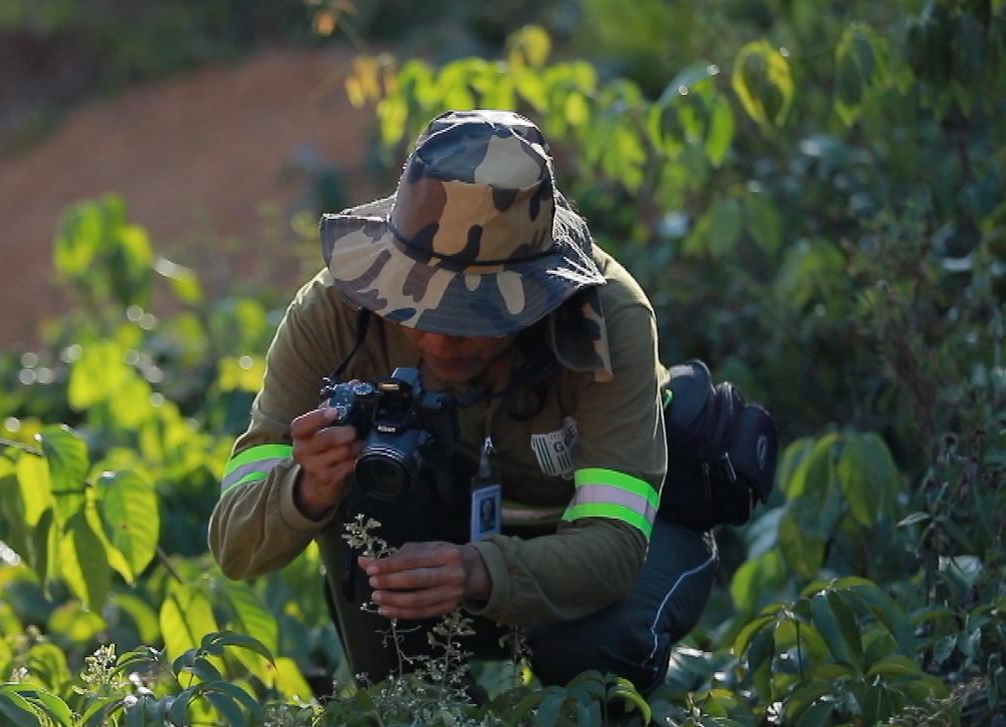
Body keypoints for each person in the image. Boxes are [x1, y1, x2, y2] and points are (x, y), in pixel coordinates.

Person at [209, 109, 718, 693]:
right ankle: (421, 726)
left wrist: (480, 571)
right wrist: (307, 486)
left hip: (633, 541)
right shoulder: (334, 314)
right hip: (447, 543)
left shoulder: (606, 317)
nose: (440, 338)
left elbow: (616, 545)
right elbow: (234, 546)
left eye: (475, 315)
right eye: (416, 306)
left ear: (538, 294)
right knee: (364, 497)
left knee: (590, 657)